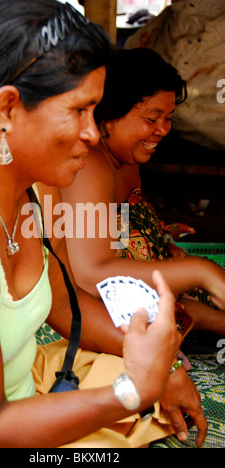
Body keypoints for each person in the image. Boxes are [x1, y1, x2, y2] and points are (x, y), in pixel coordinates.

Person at [0, 0, 187, 449]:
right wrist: (132, 390)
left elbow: (68, 309)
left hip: (21, 399)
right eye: (80, 110)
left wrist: (165, 369)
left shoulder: (27, 191)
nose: (93, 131)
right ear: (7, 108)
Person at [61, 48, 225, 323]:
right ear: (109, 116)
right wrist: (197, 271)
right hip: (93, 316)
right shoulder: (90, 165)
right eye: (151, 119)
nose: (163, 129)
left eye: (168, 118)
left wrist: (164, 255)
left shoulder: (125, 160)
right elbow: (90, 276)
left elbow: (119, 234)